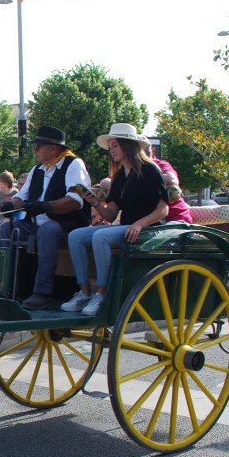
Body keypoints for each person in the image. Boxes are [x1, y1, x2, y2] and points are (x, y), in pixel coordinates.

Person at [62, 123, 168, 316]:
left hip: (148, 229)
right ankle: (84, 292)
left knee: (100, 237)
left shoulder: (150, 170)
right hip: (126, 227)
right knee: (75, 236)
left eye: (115, 145)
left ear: (128, 145)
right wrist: (94, 202)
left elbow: (163, 209)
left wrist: (139, 223)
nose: (111, 150)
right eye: (110, 147)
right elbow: (110, 214)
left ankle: (101, 294)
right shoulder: (119, 176)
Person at [8, 125, 93, 310]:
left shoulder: (74, 165)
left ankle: (43, 292)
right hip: (38, 225)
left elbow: (75, 199)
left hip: (69, 226)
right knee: (9, 228)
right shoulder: (37, 169)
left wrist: (47, 206)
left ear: (53, 148)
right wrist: (10, 204)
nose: (35, 150)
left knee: (48, 230)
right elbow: (22, 197)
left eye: (38, 146)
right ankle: (8, 286)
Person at [139, 137, 193, 223]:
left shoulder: (160, 164)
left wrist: (142, 180)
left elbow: (172, 179)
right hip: (151, 223)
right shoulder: (128, 170)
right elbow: (111, 181)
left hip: (176, 220)